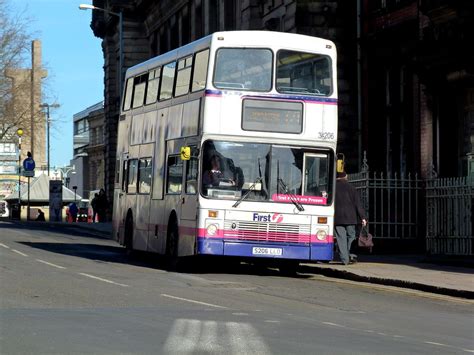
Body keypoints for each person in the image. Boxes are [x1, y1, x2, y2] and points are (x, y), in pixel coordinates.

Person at [334, 171, 367, 265]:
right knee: (351, 236)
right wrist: (363, 217)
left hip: (338, 218)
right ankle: (349, 254)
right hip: (350, 218)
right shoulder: (352, 188)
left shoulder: (333, 188)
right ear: (346, 177)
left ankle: (344, 259)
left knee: (341, 238)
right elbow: (358, 205)